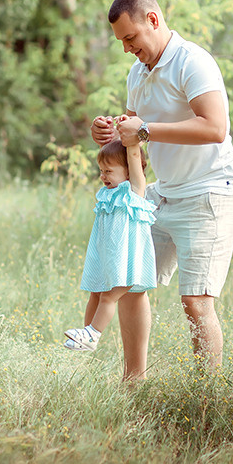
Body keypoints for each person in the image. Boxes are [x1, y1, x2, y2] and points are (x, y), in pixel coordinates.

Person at [92, 0, 233, 377]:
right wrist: (109, 133)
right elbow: (135, 143)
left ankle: (207, 397)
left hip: (210, 190)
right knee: (127, 279)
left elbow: (214, 127)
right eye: (121, 42)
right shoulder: (136, 73)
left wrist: (142, 129)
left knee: (196, 301)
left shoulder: (193, 62)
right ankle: (134, 382)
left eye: (131, 38)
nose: (127, 48)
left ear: (153, 21)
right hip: (164, 194)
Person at [63, 138, 157, 352]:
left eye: (108, 171)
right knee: (96, 293)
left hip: (128, 264)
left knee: (108, 297)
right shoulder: (108, 193)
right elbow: (112, 154)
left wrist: (132, 140)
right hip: (109, 258)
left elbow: (132, 155)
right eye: (101, 171)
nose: (103, 176)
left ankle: (93, 334)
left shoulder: (133, 190)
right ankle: (86, 334)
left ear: (128, 172)